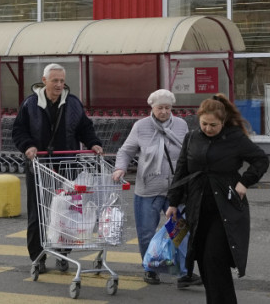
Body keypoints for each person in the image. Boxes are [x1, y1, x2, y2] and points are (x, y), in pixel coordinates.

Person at [165, 94, 269, 304]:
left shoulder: (235, 138)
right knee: (202, 259)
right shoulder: (192, 137)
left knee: (214, 258)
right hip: (198, 206)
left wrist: (245, 182)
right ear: (198, 119)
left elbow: (261, 160)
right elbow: (182, 170)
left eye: (214, 125)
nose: (208, 128)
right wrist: (173, 202)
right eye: (204, 123)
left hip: (225, 207)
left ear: (223, 122)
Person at [12, 63, 103, 272]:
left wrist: (93, 143)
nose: (59, 85)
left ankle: (64, 254)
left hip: (67, 164)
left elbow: (84, 128)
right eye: (55, 81)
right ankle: (38, 258)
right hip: (39, 165)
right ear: (44, 81)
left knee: (67, 213)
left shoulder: (72, 103)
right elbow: (19, 131)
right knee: (38, 212)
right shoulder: (30, 104)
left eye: (62, 81)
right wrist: (28, 146)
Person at [112, 89, 202, 288]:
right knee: (146, 231)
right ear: (152, 108)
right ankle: (150, 269)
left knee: (178, 231)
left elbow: (188, 152)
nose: (164, 112)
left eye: (168, 108)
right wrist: (120, 168)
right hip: (148, 188)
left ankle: (183, 273)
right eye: (160, 108)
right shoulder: (141, 126)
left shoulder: (180, 125)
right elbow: (126, 150)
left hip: (176, 189)